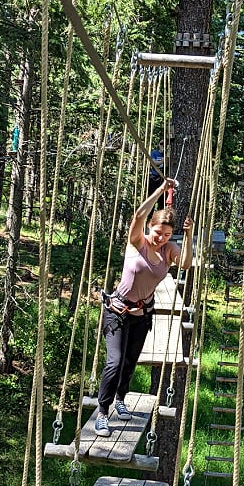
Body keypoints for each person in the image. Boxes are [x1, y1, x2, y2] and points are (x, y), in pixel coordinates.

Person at [95, 176, 194, 436]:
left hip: (142, 313)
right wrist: (161, 190)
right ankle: (103, 412)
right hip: (117, 312)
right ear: (150, 228)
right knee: (114, 363)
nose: (161, 237)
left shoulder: (169, 249)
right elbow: (139, 214)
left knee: (129, 362)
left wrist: (188, 234)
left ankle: (120, 399)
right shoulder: (136, 242)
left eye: (167, 234)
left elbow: (185, 264)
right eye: (158, 232)